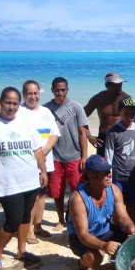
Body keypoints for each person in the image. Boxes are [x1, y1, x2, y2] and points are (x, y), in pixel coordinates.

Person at [0, 87, 48, 270]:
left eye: (15, 103)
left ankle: (21, 251)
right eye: (8, 102)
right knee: (13, 220)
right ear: (1, 102)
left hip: (30, 180)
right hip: (9, 183)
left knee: (25, 218)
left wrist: (43, 171)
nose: (12, 107)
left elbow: (37, 150)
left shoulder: (25, 123)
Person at [68, 155, 135, 270]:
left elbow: (123, 218)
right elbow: (83, 235)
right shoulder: (78, 199)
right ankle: (82, 265)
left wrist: (131, 227)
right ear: (91, 176)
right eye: (105, 173)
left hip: (105, 231)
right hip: (82, 238)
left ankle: (114, 257)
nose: (110, 175)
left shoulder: (114, 190)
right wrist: (103, 246)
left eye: (109, 171)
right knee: (95, 258)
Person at [44, 77, 89, 231]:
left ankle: (75, 218)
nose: (60, 93)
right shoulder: (46, 109)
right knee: (57, 191)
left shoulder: (76, 107)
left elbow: (83, 133)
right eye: (57, 90)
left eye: (63, 90)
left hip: (74, 156)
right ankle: (60, 220)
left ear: (67, 90)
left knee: (78, 190)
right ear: (52, 90)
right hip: (54, 157)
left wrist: (84, 156)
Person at [20, 80, 60, 244]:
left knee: (41, 194)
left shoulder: (45, 111)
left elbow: (54, 134)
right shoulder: (19, 112)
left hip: (46, 160)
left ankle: (38, 225)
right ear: (23, 94)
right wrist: (36, 154)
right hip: (28, 161)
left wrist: (43, 151)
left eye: (35, 93)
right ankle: (28, 229)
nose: (33, 96)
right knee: (30, 196)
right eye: (29, 93)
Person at [104, 97, 135, 226]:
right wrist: (108, 176)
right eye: (127, 112)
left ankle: (132, 232)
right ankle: (117, 232)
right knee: (117, 207)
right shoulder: (113, 132)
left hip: (134, 177)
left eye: (133, 112)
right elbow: (109, 155)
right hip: (118, 177)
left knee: (132, 207)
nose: (130, 115)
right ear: (120, 111)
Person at [84, 72, 130, 156]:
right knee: (102, 167)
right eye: (116, 84)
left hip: (122, 136)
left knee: (121, 167)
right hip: (103, 137)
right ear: (107, 85)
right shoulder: (98, 98)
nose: (120, 87)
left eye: (120, 84)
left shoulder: (126, 99)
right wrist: (89, 135)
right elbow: (81, 117)